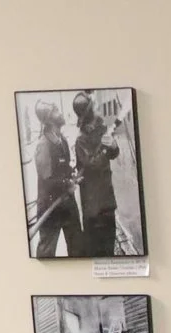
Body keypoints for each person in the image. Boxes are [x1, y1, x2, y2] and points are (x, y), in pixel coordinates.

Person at [72, 91, 122, 258]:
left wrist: (113, 146)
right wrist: (106, 149)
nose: (98, 107)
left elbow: (114, 154)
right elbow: (92, 164)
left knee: (109, 247)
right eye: (95, 106)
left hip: (107, 201)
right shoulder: (81, 140)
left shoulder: (102, 129)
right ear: (90, 112)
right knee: (94, 251)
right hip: (93, 207)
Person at [26, 100, 77, 257]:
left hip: (67, 203)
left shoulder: (62, 140)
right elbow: (48, 181)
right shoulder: (43, 145)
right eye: (55, 111)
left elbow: (63, 168)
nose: (60, 113)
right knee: (46, 254)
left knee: (78, 247)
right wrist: (67, 183)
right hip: (50, 207)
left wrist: (71, 173)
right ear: (49, 119)